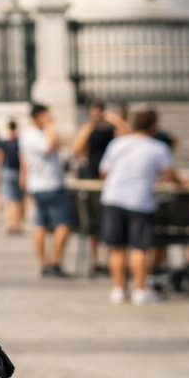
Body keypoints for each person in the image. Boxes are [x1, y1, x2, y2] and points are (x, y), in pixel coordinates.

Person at [99, 109, 182, 304]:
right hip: (139, 200)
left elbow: (104, 171)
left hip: (113, 196)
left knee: (117, 247)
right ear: (153, 126)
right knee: (139, 247)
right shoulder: (158, 148)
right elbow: (171, 174)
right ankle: (140, 290)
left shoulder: (117, 143)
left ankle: (118, 289)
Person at [71, 100, 123, 274]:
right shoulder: (89, 129)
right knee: (94, 223)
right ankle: (96, 261)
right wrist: (89, 126)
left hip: (110, 179)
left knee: (111, 223)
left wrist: (113, 119)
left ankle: (110, 260)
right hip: (92, 178)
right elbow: (76, 149)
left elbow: (128, 134)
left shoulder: (111, 130)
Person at [21, 104, 72, 276]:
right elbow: (50, 145)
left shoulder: (28, 135)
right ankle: (53, 262)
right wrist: (49, 125)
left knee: (41, 225)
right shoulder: (34, 135)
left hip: (37, 185)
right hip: (50, 185)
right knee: (63, 224)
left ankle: (45, 264)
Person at [0, 120, 24, 234]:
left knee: (9, 200)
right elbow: (22, 158)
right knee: (17, 200)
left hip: (7, 171)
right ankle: (17, 224)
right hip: (18, 172)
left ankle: (10, 223)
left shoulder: (4, 141)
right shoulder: (20, 141)